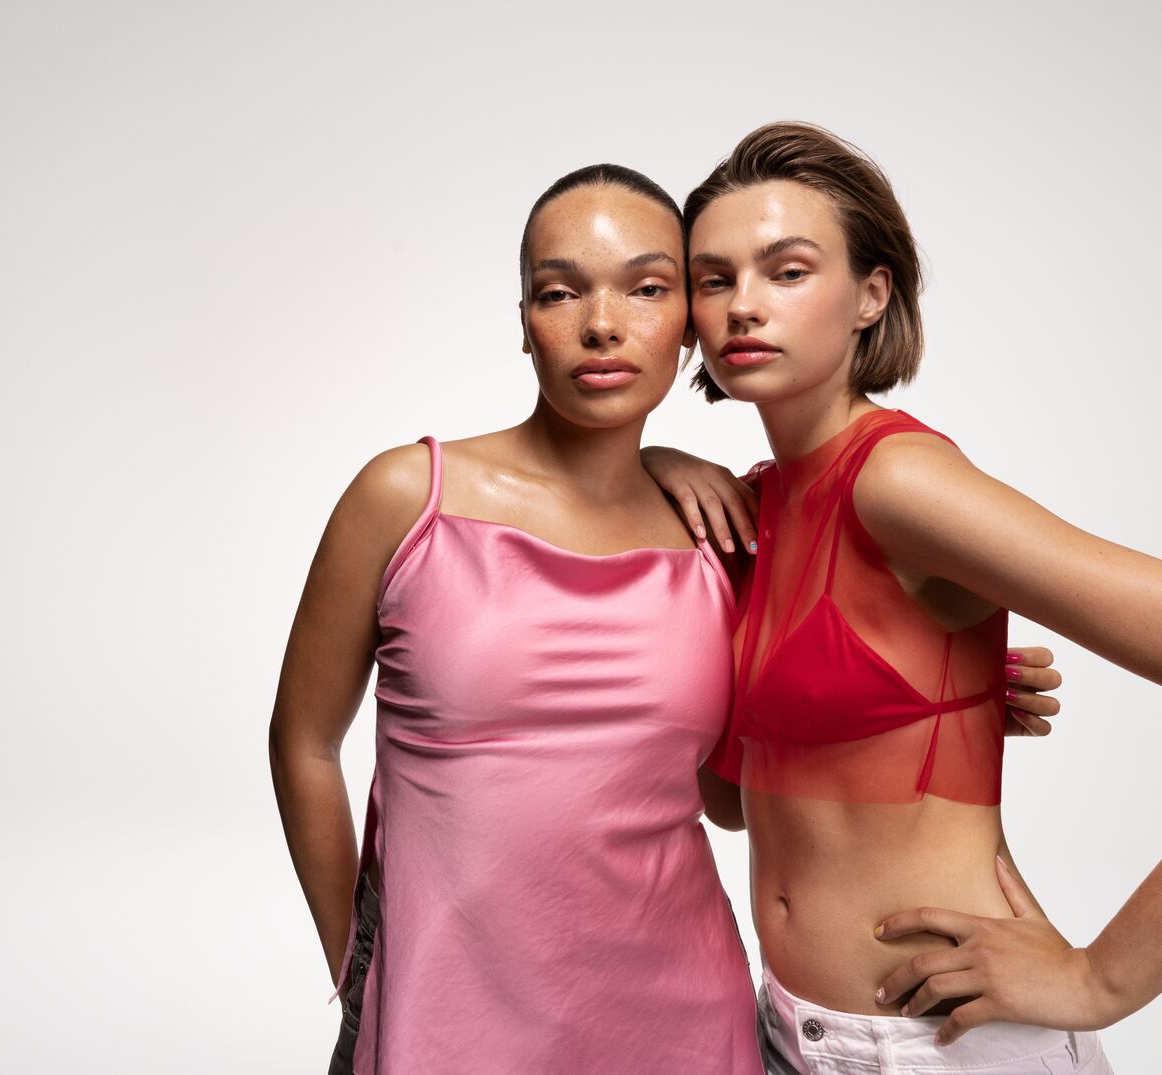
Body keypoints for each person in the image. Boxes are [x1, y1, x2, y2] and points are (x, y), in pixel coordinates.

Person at [643, 121, 1159, 1074]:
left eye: (788, 271)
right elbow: (731, 805)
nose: (744, 305)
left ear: (870, 296)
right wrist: (644, 468)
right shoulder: (757, 507)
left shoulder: (896, 481)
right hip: (794, 1031)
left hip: (945, 1044)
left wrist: (1104, 978)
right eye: (714, 279)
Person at [270, 165, 766, 1074]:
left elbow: (729, 801)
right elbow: (302, 741)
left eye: (647, 288)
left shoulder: (716, 538)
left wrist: (929, 695)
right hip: (445, 1018)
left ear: (692, 324)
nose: (602, 323)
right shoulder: (407, 496)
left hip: (684, 1016)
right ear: (525, 320)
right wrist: (360, 962)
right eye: (560, 291)